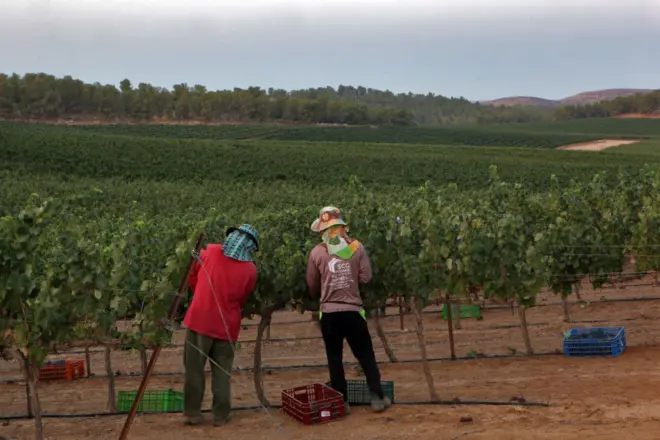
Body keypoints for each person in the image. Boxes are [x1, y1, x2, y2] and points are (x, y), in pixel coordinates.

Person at [306, 206, 391, 414]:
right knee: (365, 355)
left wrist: (324, 287)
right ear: (342, 227)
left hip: (329, 313)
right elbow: (366, 278)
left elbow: (312, 284)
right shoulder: (356, 247)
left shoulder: (317, 252)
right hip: (353, 311)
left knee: (334, 357)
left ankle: (341, 402)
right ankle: (377, 398)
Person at [182, 224, 259, 426]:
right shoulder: (251, 270)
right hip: (227, 327)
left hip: (200, 320)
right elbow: (242, 298)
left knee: (194, 369)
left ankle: (193, 414)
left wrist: (201, 292)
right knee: (222, 373)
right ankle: (220, 416)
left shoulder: (212, 251)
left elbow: (193, 276)